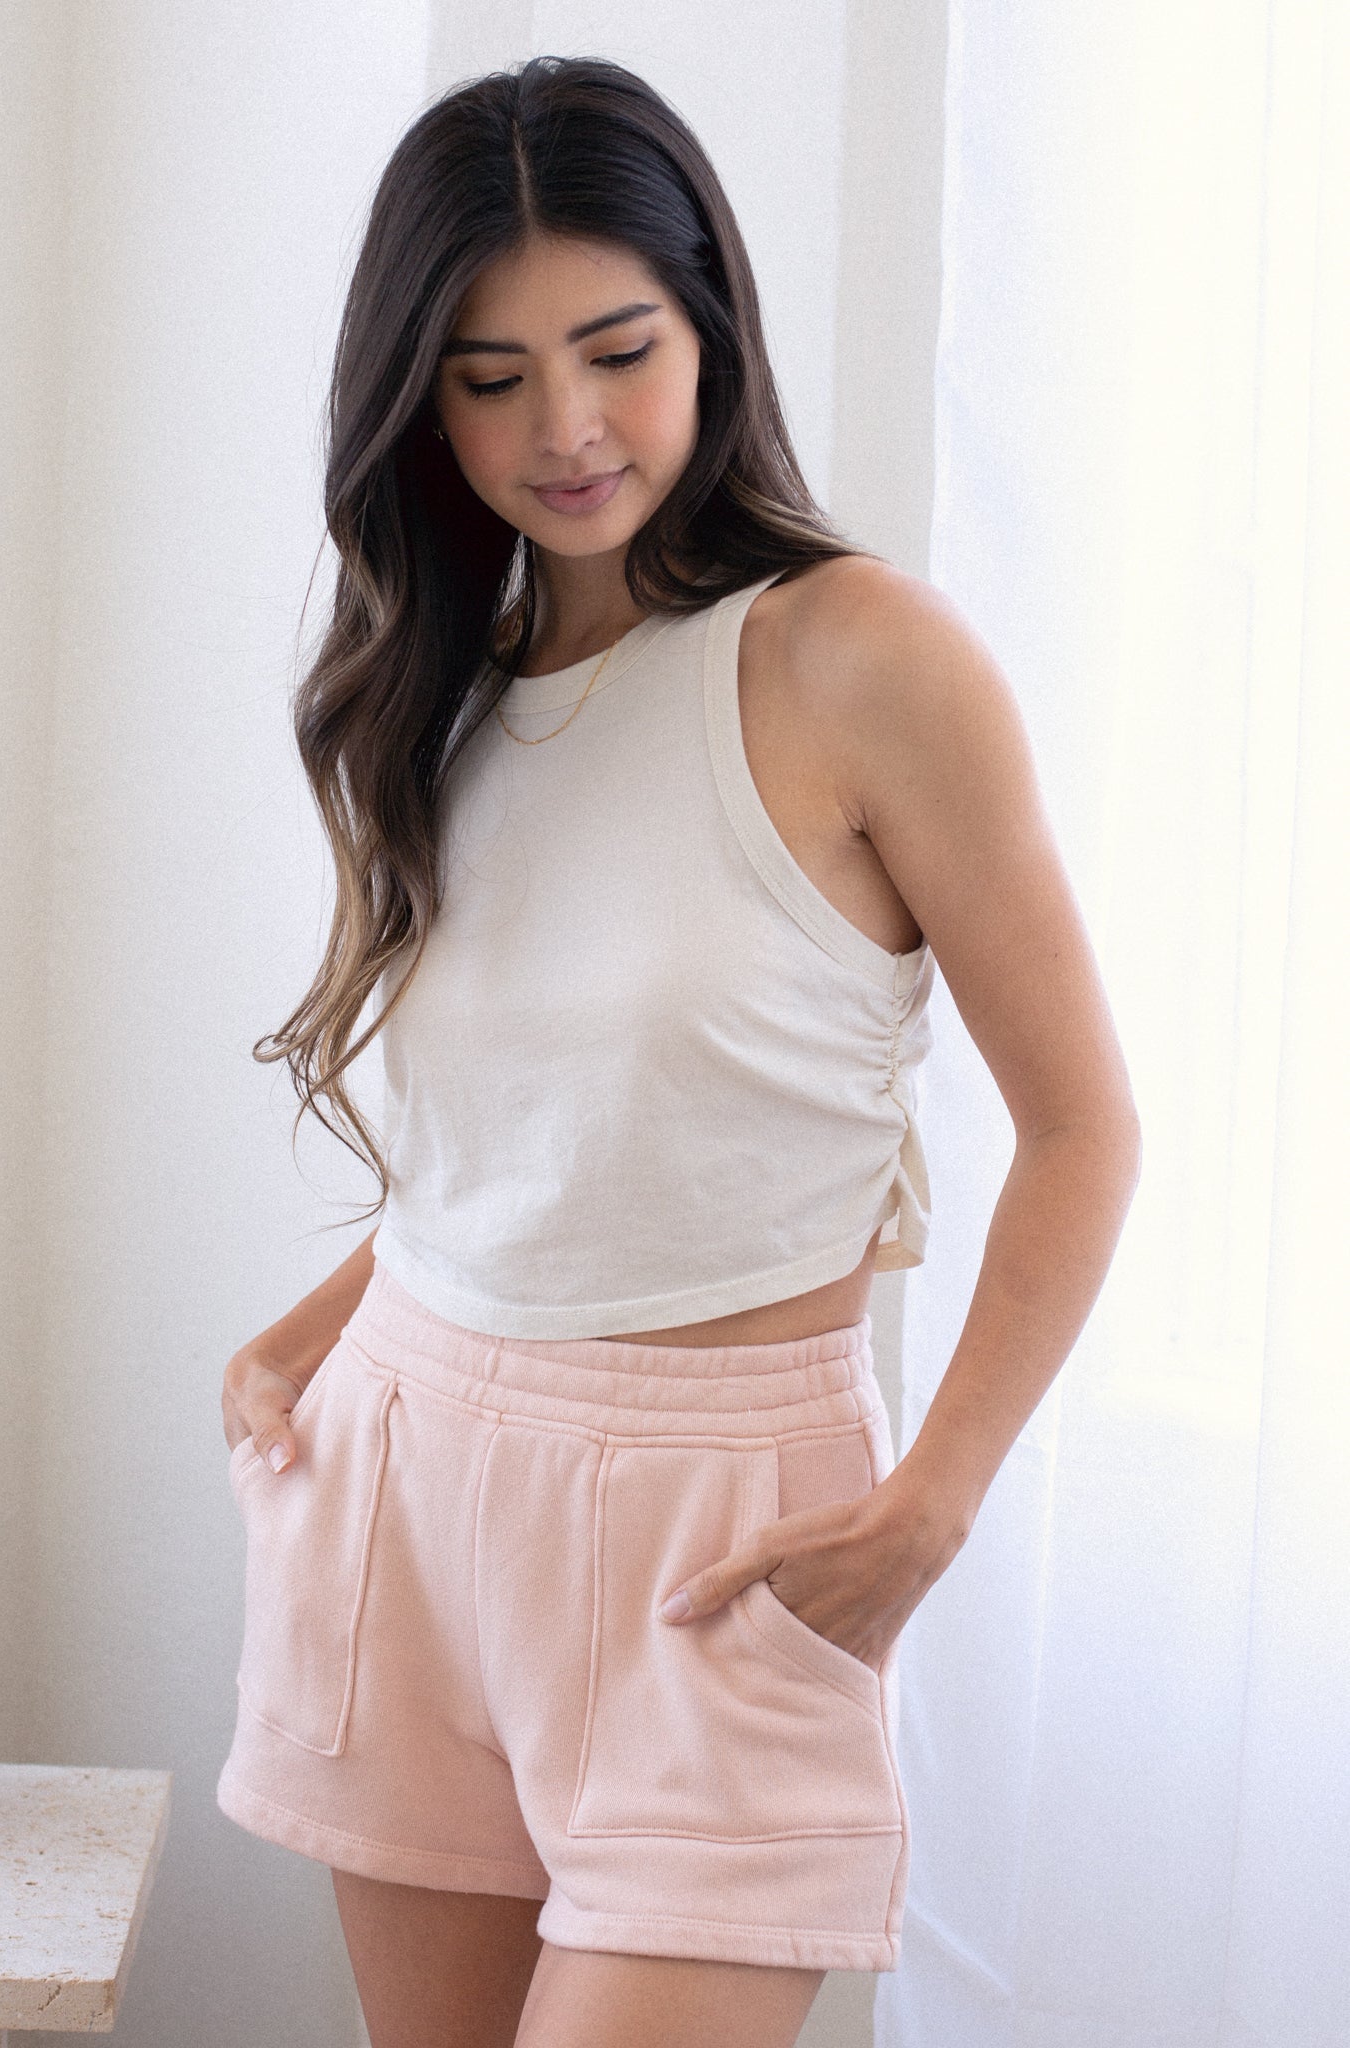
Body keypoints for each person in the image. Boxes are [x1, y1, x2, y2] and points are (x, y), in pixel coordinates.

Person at [215, 53, 1141, 2048]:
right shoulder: (441, 695)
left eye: (618, 349)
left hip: (723, 1545)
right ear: (416, 396)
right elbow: (566, 1141)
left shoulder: (859, 658)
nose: (565, 426)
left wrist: (937, 1498)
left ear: (710, 319)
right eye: (488, 375)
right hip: (407, 1474)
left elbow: (1084, 1130)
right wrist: (318, 1320)